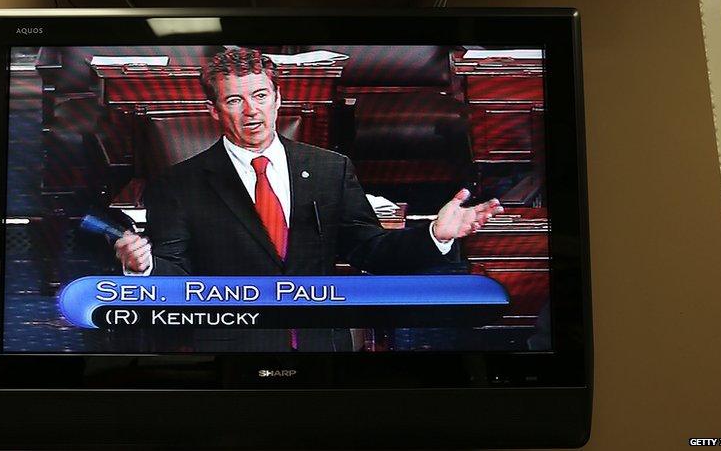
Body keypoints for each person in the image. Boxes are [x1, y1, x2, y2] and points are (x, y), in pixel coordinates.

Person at [114, 48, 503, 351]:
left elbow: (370, 250)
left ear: (278, 98)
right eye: (234, 101)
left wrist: (435, 234)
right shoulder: (178, 184)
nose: (251, 112)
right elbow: (178, 280)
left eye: (260, 95)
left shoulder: (329, 169)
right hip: (236, 355)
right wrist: (143, 269)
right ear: (213, 111)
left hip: (321, 350)